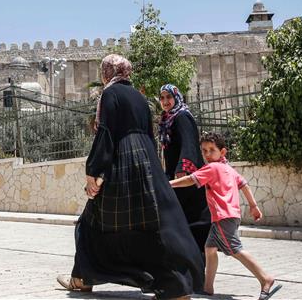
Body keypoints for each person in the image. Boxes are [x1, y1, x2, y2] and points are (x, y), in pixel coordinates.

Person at [57, 54, 204, 300]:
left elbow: (106, 133)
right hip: (147, 165)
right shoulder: (140, 97)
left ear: (107, 72)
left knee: (91, 221)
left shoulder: (109, 94)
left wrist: (94, 170)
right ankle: (174, 285)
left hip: (122, 163)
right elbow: (149, 134)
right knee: (151, 224)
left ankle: (81, 278)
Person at [170, 132, 282, 300]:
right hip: (230, 216)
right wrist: (253, 206)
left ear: (222, 152)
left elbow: (191, 180)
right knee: (210, 249)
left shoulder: (212, 168)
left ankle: (265, 278)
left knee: (235, 249)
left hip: (223, 217)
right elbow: (244, 185)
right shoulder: (229, 169)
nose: (207, 154)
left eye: (212, 150)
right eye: (204, 151)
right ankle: (208, 288)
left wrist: (169, 184)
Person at [158, 84, 210, 263]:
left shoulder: (182, 117)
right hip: (176, 177)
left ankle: (198, 266)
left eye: (168, 97)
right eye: (162, 98)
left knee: (193, 221)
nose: (165, 101)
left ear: (176, 97)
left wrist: (183, 169)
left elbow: (189, 144)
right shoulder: (167, 119)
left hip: (187, 179)